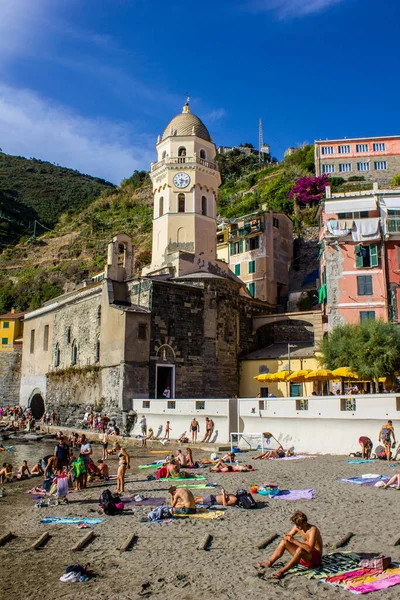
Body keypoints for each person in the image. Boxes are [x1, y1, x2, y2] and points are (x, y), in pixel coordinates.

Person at [257, 511, 323, 579]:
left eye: (300, 525)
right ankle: (269, 562)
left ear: (305, 522)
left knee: (300, 550)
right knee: (284, 542)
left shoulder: (312, 530)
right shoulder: (297, 527)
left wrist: (294, 541)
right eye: (297, 525)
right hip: (305, 556)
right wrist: (288, 537)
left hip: (315, 558)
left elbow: (309, 548)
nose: (298, 528)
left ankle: (282, 571)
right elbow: (287, 537)